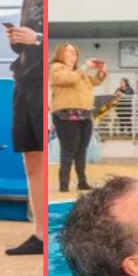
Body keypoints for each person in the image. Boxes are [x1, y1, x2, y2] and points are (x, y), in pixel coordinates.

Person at [5, 0, 44, 256]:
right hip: (24, 79)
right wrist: (17, 39)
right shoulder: (27, 1)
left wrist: (38, 39)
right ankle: (39, 232)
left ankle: (46, 231)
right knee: (29, 157)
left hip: (42, 84)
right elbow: (29, 41)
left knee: (42, 156)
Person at [49, 43, 106, 191]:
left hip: (84, 113)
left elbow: (94, 82)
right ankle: (64, 184)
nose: (74, 54)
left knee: (82, 149)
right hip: (66, 114)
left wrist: (101, 72)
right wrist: (84, 67)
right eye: (70, 51)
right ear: (61, 53)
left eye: (75, 52)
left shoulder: (79, 72)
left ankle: (82, 181)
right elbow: (68, 79)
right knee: (69, 149)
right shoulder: (56, 68)